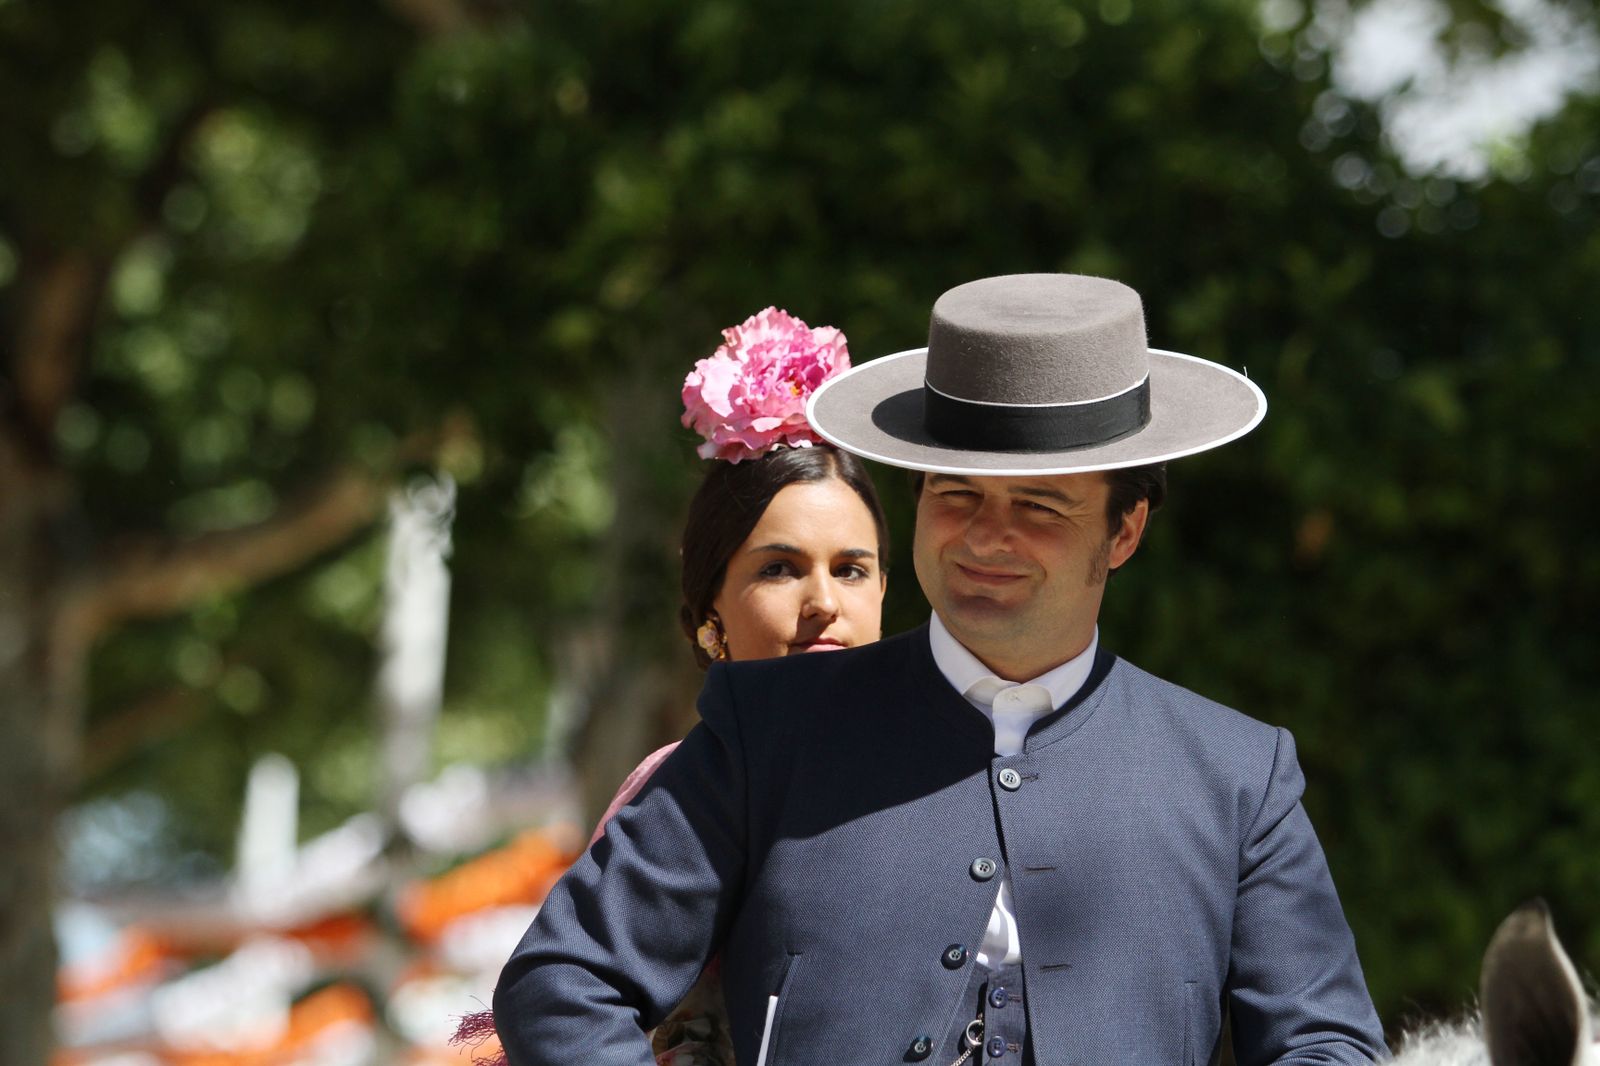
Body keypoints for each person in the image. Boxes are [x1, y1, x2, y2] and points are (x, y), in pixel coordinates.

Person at [493, 274, 1386, 1065]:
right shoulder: (770, 729)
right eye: (956, 494)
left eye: (1038, 505)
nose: (987, 537)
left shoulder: (1237, 776)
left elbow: (1327, 1041)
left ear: (1124, 530)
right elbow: (565, 982)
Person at [457, 307, 890, 1066]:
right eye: (780, 568)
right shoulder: (691, 789)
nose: (825, 601)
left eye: (851, 568)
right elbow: (563, 995)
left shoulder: (951, 766)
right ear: (710, 614)